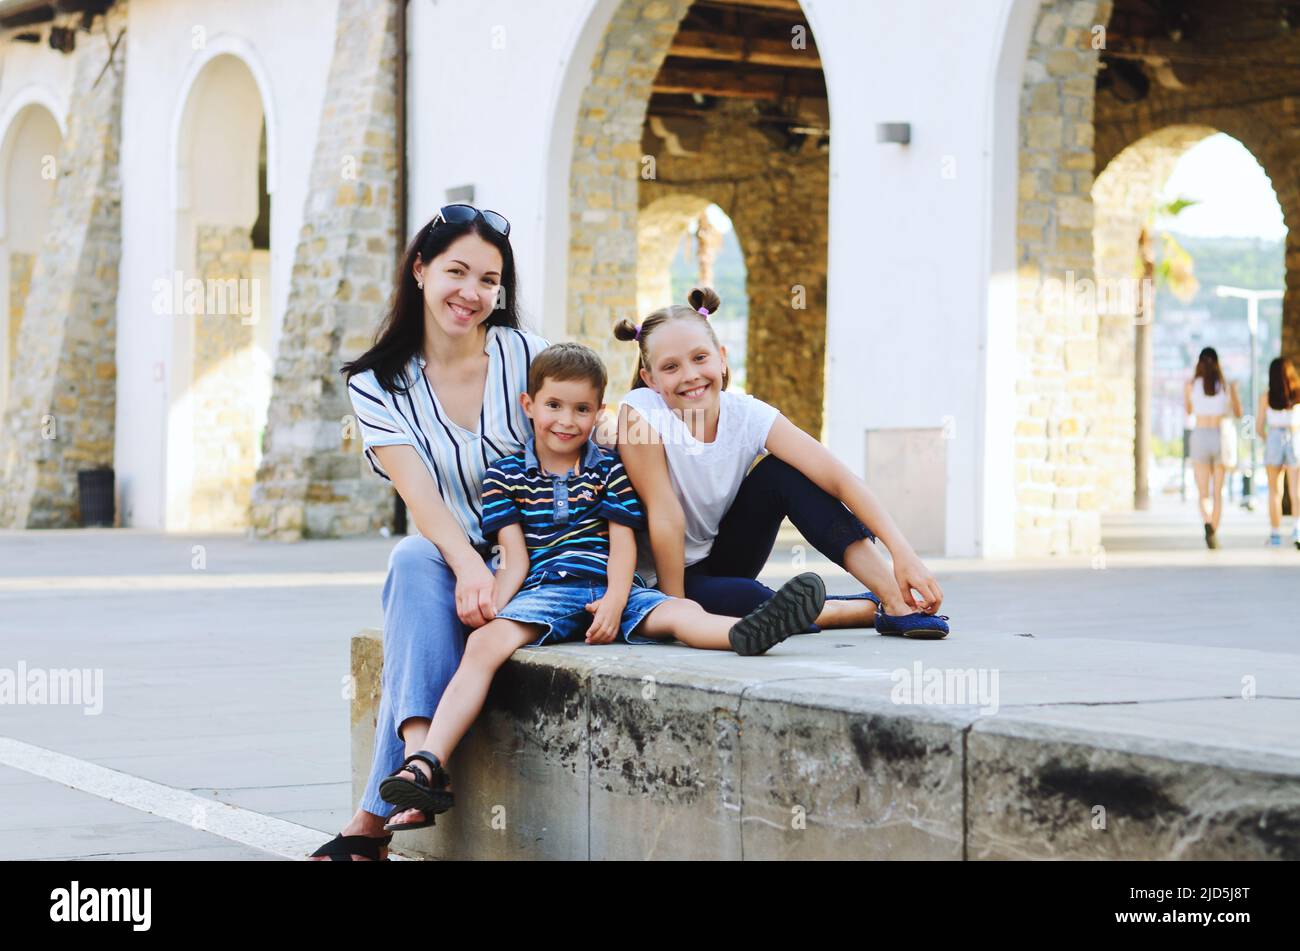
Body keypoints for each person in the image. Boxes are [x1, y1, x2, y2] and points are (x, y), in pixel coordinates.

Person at [376, 343, 828, 829]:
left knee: (679, 612)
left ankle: (747, 632)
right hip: (546, 589)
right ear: (529, 405)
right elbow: (514, 558)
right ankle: (425, 764)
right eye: (554, 406)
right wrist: (496, 610)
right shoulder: (504, 475)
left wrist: (616, 599)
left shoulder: (608, 468)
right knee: (484, 645)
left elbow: (623, 543)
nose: (566, 420)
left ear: (598, 413)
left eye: (582, 409)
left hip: (613, 583)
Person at [309, 204, 548, 861]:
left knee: (414, 614)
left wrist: (503, 567)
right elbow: (418, 493)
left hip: (538, 555)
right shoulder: (377, 382)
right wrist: (471, 570)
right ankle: (420, 760)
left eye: (490, 280)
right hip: (453, 558)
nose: (472, 293)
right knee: (414, 558)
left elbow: (557, 468)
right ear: (420, 269)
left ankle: (373, 819)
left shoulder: (526, 356)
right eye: (458, 271)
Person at [614, 287, 949, 639]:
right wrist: (676, 609)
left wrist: (903, 554)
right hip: (662, 578)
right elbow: (664, 513)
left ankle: (892, 598)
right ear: (650, 378)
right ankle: (852, 610)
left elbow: (838, 478)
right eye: (671, 367)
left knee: (784, 473)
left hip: (723, 556)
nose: (690, 375)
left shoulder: (747, 415)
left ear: (722, 358)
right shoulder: (641, 413)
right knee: (753, 600)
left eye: (700, 358)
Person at [1184, 346, 1242, 549]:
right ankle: (1214, 531)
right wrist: (1233, 392)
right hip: (1220, 436)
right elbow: (1238, 412)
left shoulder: (1192, 385)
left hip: (1200, 435)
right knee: (1218, 491)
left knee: (1203, 493)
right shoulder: (1224, 385)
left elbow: (1188, 411)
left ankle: (1207, 522)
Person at [1256, 356, 1300, 547]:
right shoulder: (1298, 394)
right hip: (1295, 437)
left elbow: (1258, 427)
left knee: (1275, 490)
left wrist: (1268, 439)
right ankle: (1298, 530)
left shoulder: (1266, 397)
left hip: (1274, 437)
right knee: (1296, 490)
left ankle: (1275, 535)